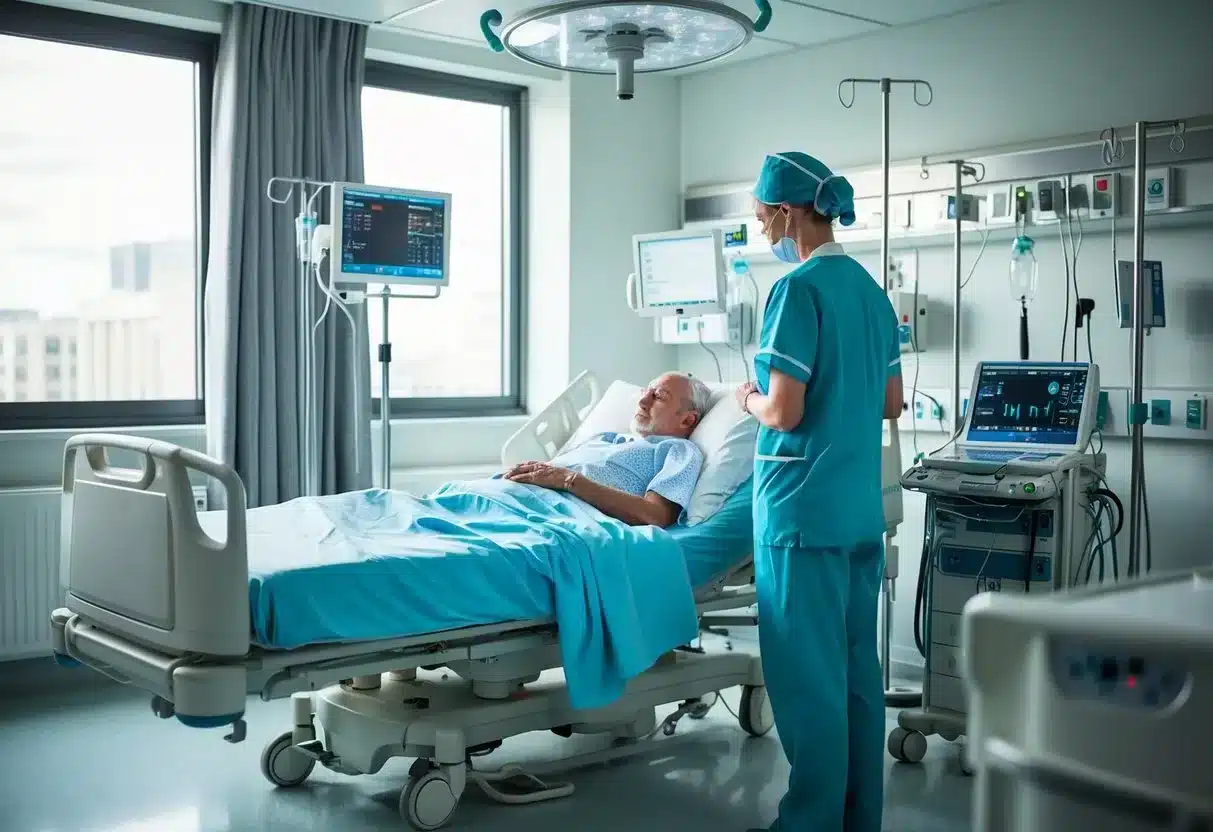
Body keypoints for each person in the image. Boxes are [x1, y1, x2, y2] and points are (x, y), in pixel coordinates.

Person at [733, 152, 904, 832]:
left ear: (786, 212)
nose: (761, 231)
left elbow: (783, 410)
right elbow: (891, 402)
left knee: (807, 685)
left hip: (800, 515)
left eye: (760, 218)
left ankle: (807, 823)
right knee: (858, 678)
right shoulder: (869, 291)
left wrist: (744, 396)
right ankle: (859, 819)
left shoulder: (796, 291)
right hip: (858, 514)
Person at [505, 372, 712, 528]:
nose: (642, 401)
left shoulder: (678, 451)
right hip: (508, 498)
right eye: (646, 392)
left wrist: (569, 480)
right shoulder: (608, 438)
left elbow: (654, 515)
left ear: (687, 419)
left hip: (549, 518)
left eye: (658, 396)